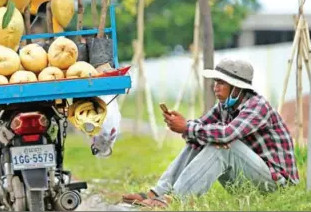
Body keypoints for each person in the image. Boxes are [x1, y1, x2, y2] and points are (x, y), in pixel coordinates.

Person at [122, 57, 300, 208]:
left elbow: (227, 134)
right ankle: (156, 193)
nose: (215, 87)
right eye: (216, 82)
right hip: (250, 178)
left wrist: (186, 127)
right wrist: (183, 125)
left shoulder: (257, 106)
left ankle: (174, 200)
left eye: (221, 82)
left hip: (277, 184)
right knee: (199, 139)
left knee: (223, 145)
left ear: (237, 88)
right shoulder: (224, 106)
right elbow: (199, 128)